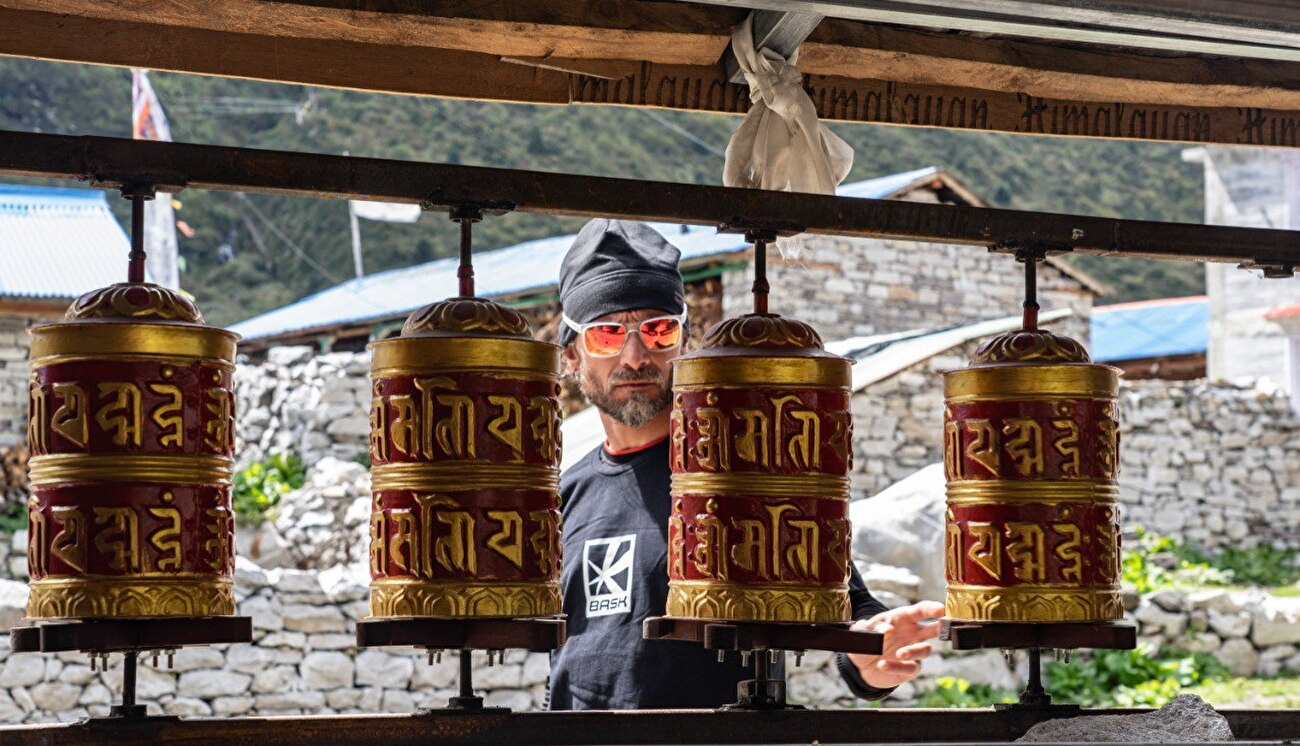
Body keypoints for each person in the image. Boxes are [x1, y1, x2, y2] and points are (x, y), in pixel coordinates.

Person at [546, 219, 944, 710]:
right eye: (606, 335)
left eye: (658, 330)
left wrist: (870, 658)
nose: (635, 356)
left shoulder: (745, 477)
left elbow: (850, 607)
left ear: (683, 346)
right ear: (572, 355)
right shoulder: (562, 497)